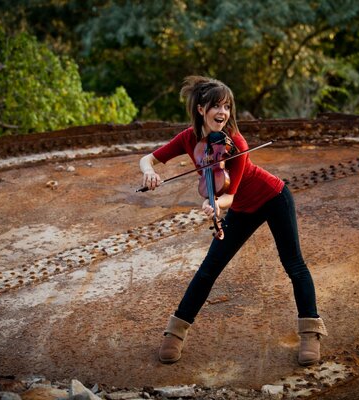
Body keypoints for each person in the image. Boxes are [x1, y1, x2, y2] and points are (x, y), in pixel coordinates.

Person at [139, 76, 327, 366]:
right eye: (217, 105)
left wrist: (214, 205)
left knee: (294, 265)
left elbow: (231, 194)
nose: (223, 112)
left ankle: (311, 332)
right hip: (242, 209)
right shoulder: (189, 139)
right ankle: (174, 333)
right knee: (208, 270)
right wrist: (149, 172)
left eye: (227, 106)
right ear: (201, 109)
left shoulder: (236, 141)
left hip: (273, 198)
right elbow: (147, 159)